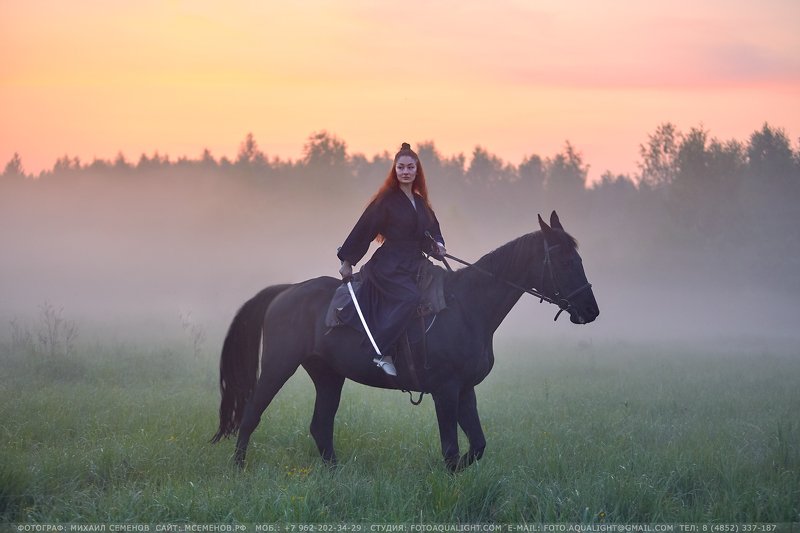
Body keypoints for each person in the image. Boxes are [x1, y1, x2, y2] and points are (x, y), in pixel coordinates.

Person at [338, 142, 446, 376]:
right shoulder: (386, 201)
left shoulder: (420, 203)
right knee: (411, 297)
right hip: (389, 265)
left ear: (417, 171)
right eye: (401, 167)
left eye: (410, 167)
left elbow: (433, 230)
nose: (405, 171)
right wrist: (348, 261)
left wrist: (439, 245)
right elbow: (364, 229)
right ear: (394, 170)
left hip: (416, 263)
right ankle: (380, 350)